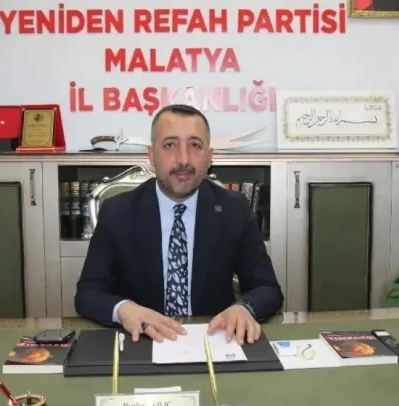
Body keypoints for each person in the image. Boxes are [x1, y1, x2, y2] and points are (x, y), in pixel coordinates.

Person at [75, 104, 284, 345]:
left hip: (214, 339)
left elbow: (268, 289)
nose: (183, 160)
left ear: (209, 156)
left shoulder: (233, 209)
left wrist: (244, 308)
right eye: (170, 145)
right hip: (141, 341)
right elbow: (87, 294)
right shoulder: (117, 211)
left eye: (195, 145)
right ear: (151, 155)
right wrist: (124, 309)